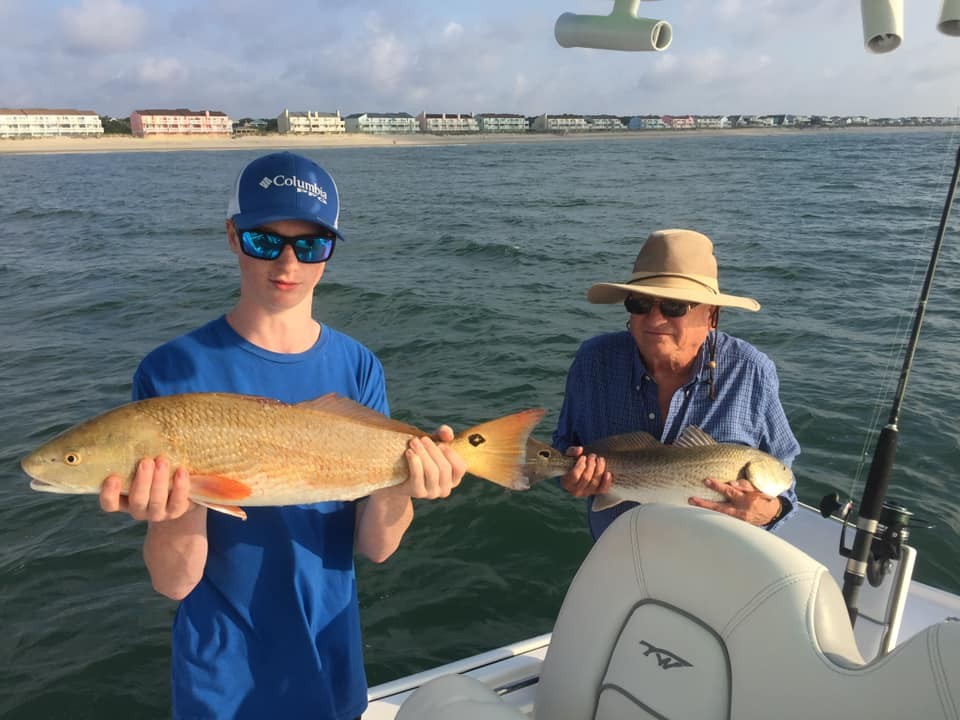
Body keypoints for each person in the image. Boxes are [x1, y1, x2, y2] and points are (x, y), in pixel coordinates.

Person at [98, 151, 467, 719]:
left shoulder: (359, 367)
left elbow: (376, 546)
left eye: (311, 244)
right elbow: (175, 583)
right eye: (266, 241)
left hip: (331, 659)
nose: (288, 262)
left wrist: (403, 487)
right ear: (232, 236)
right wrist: (172, 507)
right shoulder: (172, 371)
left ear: (332, 249)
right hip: (218, 677)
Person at [552, 228, 799, 541]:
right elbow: (564, 447)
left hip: (714, 557)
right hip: (617, 550)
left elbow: (785, 482)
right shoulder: (593, 360)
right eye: (640, 303)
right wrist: (571, 480)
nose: (654, 319)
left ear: (712, 315)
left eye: (674, 306)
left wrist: (767, 511)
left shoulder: (751, 371)